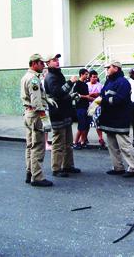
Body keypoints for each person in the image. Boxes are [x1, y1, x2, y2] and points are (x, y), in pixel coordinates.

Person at [97, 61, 134, 178]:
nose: (106, 69)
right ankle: (118, 167)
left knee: (124, 145)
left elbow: (119, 99)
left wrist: (104, 100)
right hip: (109, 118)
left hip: (120, 119)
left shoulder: (123, 82)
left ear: (116, 68)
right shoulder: (109, 81)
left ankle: (133, 168)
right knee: (112, 145)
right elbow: (103, 94)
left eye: (108, 67)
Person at [44, 53, 81, 177]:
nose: (57, 61)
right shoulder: (50, 77)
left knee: (68, 143)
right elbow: (58, 93)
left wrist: (71, 96)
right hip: (58, 114)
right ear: (47, 63)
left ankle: (68, 166)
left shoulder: (57, 74)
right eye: (54, 60)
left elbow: (62, 94)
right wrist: (70, 82)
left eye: (57, 59)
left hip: (65, 113)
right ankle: (56, 169)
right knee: (59, 144)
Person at [20, 54, 55, 187]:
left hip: (28, 113)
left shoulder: (26, 77)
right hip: (36, 114)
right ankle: (37, 177)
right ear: (34, 63)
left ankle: (30, 172)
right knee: (38, 146)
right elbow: (36, 102)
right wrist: (45, 120)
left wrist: (47, 99)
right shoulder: (34, 79)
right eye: (41, 63)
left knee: (30, 145)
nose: (44, 65)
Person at [72, 68, 92, 149]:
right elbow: (75, 95)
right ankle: (75, 142)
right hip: (80, 107)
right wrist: (85, 96)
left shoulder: (85, 84)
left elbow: (87, 96)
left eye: (87, 74)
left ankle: (82, 141)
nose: (87, 76)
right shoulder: (77, 84)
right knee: (81, 126)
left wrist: (92, 98)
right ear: (81, 74)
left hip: (86, 107)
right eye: (86, 74)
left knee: (86, 125)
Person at [87, 70, 106, 148]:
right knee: (87, 123)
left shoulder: (100, 85)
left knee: (98, 123)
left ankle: (100, 138)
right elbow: (85, 94)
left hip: (97, 106)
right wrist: (90, 95)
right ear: (90, 77)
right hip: (88, 106)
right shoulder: (86, 85)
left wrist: (95, 94)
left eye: (96, 77)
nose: (95, 78)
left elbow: (102, 94)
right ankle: (84, 138)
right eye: (93, 77)